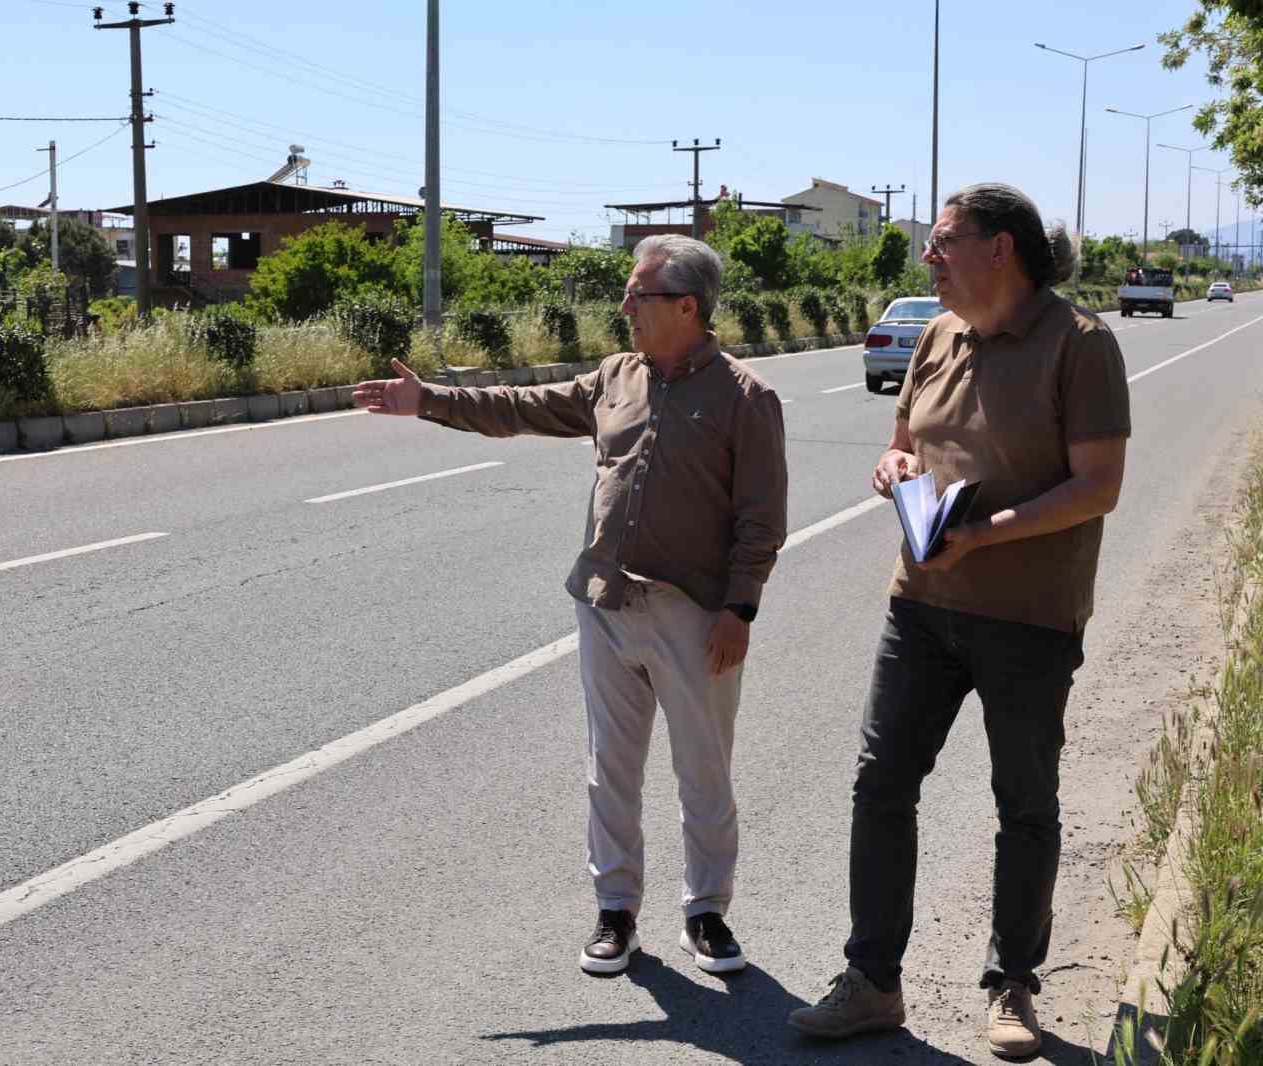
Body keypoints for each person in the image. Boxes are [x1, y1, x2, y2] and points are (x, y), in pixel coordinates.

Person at [352, 234, 788, 977]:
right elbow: (522, 406)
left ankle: (706, 912)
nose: (623, 306)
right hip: (607, 603)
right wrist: (429, 400)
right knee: (609, 768)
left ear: (686, 306)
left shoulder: (747, 397)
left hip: (696, 614)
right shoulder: (616, 376)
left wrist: (738, 613)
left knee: (704, 770)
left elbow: (760, 520)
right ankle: (616, 912)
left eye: (636, 295)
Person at [787, 184, 1130, 1059]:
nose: (928, 258)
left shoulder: (1082, 344)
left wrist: (980, 534)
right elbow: (904, 437)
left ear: (1000, 250)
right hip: (922, 605)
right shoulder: (937, 336)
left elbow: (1098, 487)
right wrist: (895, 462)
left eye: (943, 242)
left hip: (1028, 617)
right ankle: (872, 984)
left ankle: (1012, 985)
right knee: (881, 783)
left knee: (1023, 802)